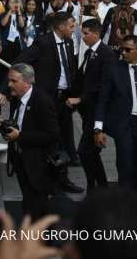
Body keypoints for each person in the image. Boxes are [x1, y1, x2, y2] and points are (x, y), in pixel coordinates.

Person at [15, 11, 83, 193]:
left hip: (65, 98)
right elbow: (22, 61)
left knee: (65, 136)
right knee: (51, 139)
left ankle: (64, 178)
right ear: (60, 27)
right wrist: (33, 86)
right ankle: (49, 179)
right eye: (70, 25)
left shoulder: (69, 42)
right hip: (48, 98)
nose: (73, 28)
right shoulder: (43, 42)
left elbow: (69, 68)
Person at [94, 35, 137, 188]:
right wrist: (98, 128)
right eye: (122, 49)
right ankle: (125, 200)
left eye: (128, 50)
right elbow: (103, 99)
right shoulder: (114, 70)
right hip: (124, 124)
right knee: (125, 162)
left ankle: (136, 196)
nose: (123, 53)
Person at [3, 63, 60, 220]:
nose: (9, 85)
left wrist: (20, 136)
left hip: (38, 166)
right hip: (22, 163)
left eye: (14, 81)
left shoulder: (42, 101)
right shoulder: (17, 99)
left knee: (37, 208)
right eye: (9, 80)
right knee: (28, 205)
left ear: (27, 82)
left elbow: (52, 134)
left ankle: (39, 240)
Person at [66, 19, 117, 193]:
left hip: (97, 112)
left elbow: (103, 85)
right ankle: (99, 188)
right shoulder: (89, 53)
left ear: (97, 33)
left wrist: (80, 99)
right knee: (91, 153)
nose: (84, 37)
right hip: (88, 112)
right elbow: (82, 79)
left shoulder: (106, 54)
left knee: (85, 151)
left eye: (86, 33)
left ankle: (96, 188)